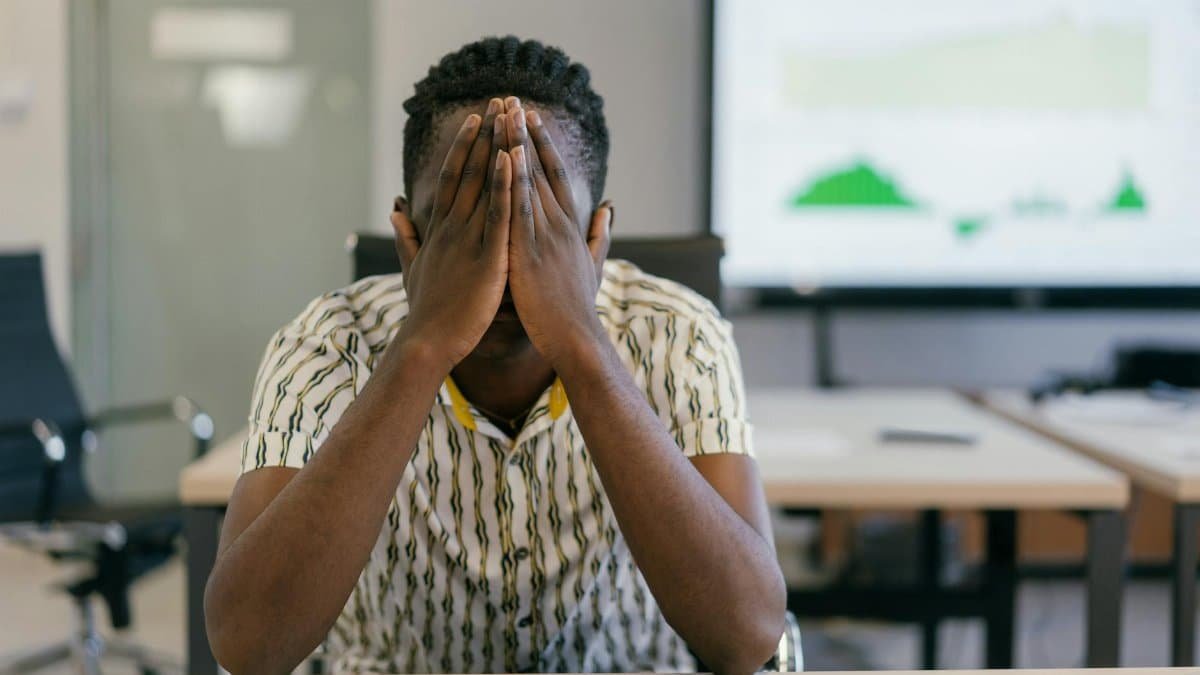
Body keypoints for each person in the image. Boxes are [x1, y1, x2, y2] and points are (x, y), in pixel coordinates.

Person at [204, 36, 786, 675]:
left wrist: (579, 340)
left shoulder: (677, 333)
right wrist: (423, 344)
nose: (506, 265)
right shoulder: (326, 342)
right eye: (465, 226)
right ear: (408, 239)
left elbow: (746, 637)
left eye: (544, 227)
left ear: (596, 239)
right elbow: (246, 645)